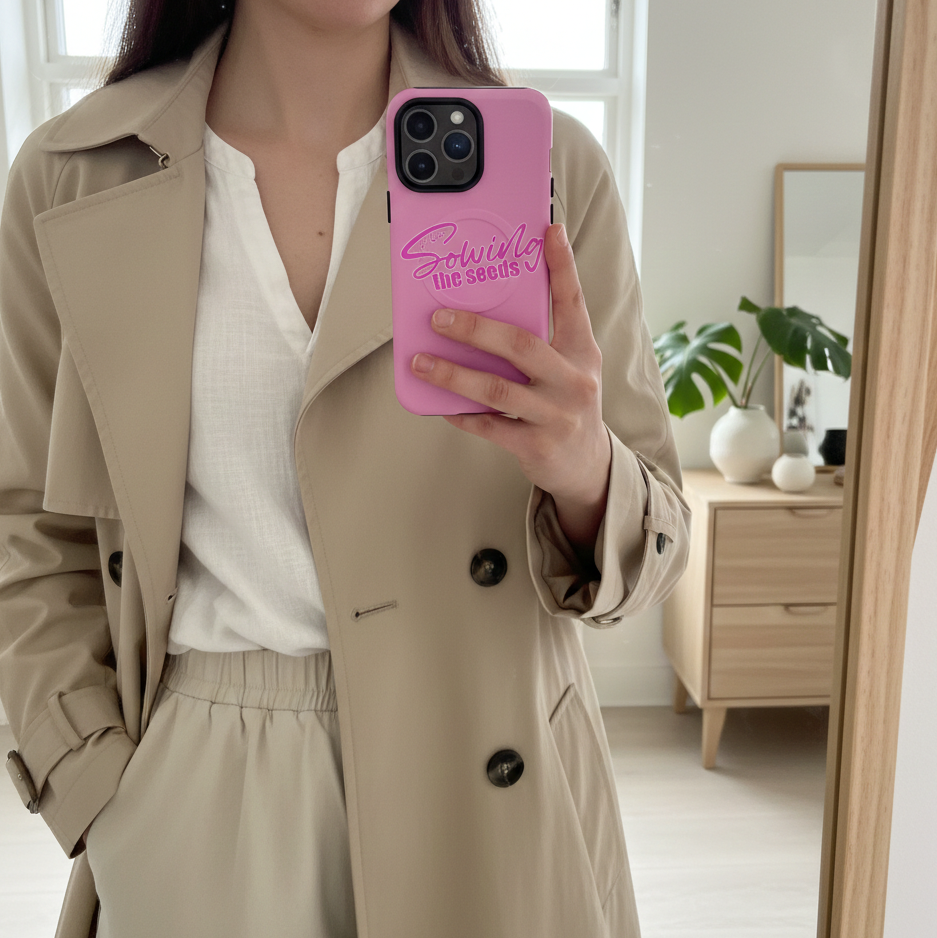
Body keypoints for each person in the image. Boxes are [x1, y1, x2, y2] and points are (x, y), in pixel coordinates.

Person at [0, 1, 690, 936]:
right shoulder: (71, 177)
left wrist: (585, 472)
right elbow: (25, 524)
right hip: (198, 792)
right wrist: (98, 783)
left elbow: (655, 542)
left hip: (484, 778)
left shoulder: (553, 171)